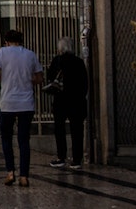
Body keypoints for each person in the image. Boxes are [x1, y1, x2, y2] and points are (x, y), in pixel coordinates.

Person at [0, 27, 43, 186]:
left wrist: (5, 80)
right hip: (26, 103)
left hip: (7, 103)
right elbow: (39, 77)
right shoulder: (30, 54)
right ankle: (24, 176)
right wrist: (27, 81)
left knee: (6, 139)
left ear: (6, 41)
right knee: (23, 140)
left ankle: (10, 172)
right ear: (21, 41)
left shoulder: (2, 52)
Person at [47, 36, 89, 170]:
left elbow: (50, 78)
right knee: (77, 130)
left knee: (59, 129)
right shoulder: (78, 62)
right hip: (76, 101)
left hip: (60, 100)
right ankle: (77, 159)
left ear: (60, 48)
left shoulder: (57, 61)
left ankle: (61, 157)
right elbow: (84, 82)